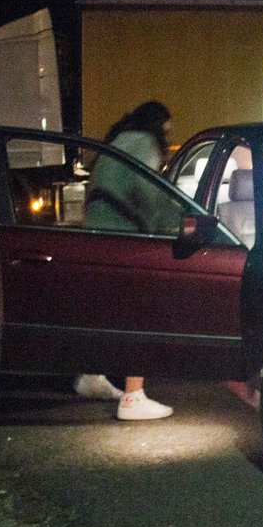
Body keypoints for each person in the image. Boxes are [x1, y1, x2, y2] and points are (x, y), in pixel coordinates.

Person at [74, 101, 174, 420]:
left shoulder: (118, 141)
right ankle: (133, 397)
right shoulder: (144, 144)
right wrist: (176, 223)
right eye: (168, 127)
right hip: (124, 244)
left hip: (97, 240)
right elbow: (149, 193)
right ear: (156, 124)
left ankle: (91, 377)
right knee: (138, 316)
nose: (169, 133)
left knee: (105, 315)